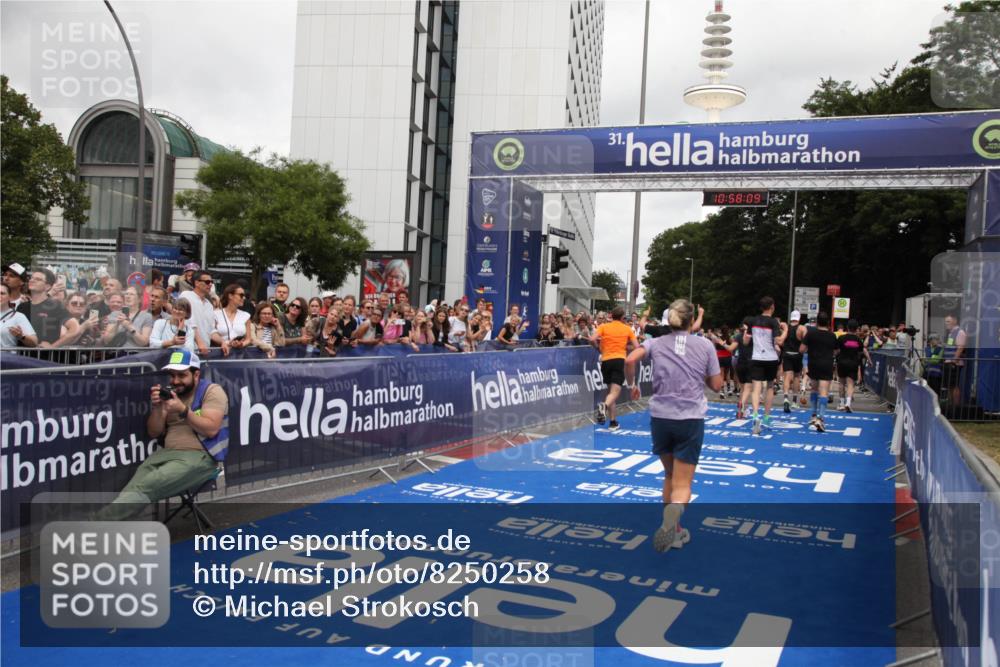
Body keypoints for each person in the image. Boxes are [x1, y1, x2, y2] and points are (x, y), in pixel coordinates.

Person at [625, 299, 721, 552]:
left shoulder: (655, 343)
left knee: (669, 475)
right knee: (683, 484)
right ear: (692, 320)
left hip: (661, 418)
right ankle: (673, 516)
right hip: (690, 418)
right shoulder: (705, 345)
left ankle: (674, 530)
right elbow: (717, 385)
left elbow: (630, 360)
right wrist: (700, 373)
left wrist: (632, 385)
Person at [96, 350, 226, 521]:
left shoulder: (211, 391)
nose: (175, 381)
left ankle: (95, 524)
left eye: (182, 375)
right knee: (133, 489)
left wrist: (183, 410)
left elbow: (211, 429)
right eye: (172, 375)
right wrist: (159, 408)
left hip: (200, 455)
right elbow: (154, 432)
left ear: (196, 375)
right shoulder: (171, 394)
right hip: (167, 453)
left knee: (146, 486)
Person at [591, 306, 639, 430]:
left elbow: (592, 339)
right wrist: (626, 347)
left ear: (611, 316)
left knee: (610, 392)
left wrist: (597, 347)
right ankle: (604, 406)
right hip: (618, 360)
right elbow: (637, 347)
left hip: (605, 361)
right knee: (615, 392)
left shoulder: (603, 326)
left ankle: (613, 422)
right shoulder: (627, 329)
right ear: (623, 317)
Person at [745, 296, 787, 435]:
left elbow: (746, 341)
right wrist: (786, 330)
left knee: (756, 388)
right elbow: (779, 341)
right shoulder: (773, 322)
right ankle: (766, 417)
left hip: (757, 357)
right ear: (772, 307)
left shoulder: (752, 321)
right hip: (770, 358)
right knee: (769, 387)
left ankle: (755, 415)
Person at [799, 311, 837, 432]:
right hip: (827, 364)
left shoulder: (811, 334)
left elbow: (801, 349)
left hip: (814, 364)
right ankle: (821, 418)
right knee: (824, 391)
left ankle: (813, 415)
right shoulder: (832, 336)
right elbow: (836, 351)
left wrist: (811, 349)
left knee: (814, 389)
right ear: (828, 323)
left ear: (816, 322)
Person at [25, 267, 79, 348]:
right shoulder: (22, 306)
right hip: (20, 354)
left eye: (38, 279)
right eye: (31, 278)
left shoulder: (55, 306)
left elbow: (75, 329)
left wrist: (53, 347)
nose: (32, 280)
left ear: (47, 286)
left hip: (45, 355)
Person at [178, 271, 217, 351]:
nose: (210, 284)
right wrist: (200, 343)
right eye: (207, 282)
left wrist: (223, 342)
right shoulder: (186, 295)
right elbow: (188, 322)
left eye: (211, 282)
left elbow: (212, 330)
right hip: (186, 349)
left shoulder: (209, 305)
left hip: (204, 351)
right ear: (197, 283)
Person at [212, 283, 252, 355]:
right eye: (241, 295)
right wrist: (223, 342)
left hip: (240, 354)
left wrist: (241, 344)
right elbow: (212, 333)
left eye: (244, 295)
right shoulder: (216, 314)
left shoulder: (246, 315)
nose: (244, 298)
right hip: (219, 353)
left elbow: (248, 339)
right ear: (230, 296)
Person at [835, 319, 865, 412]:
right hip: (853, 363)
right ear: (856, 329)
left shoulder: (841, 338)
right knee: (850, 384)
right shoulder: (859, 340)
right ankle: (848, 403)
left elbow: (836, 351)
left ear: (847, 327)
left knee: (841, 383)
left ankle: (841, 403)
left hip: (841, 363)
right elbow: (860, 352)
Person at [780, 311, 806, 413]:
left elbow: (781, 342)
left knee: (787, 376)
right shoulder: (801, 328)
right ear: (799, 318)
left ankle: (786, 398)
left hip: (787, 354)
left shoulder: (786, 328)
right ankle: (794, 401)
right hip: (797, 355)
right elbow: (806, 340)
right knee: (796, 377)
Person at [941, 314, 968, 409]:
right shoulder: (950, 333)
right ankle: (951, 406)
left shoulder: (960, 332)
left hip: (954, 363)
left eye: (948, 321)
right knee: (949, 385)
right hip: (948, 362)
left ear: (955, 321)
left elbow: (960, 347)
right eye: (946, 321)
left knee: (954, 385)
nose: (946, 323)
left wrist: (954, 360)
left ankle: (956, 408)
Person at [0, 284, 38, 349]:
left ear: (9, 297)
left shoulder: (18, 316)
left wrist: (21, 336)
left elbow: (34, 342)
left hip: (7, 355)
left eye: (2, 293)